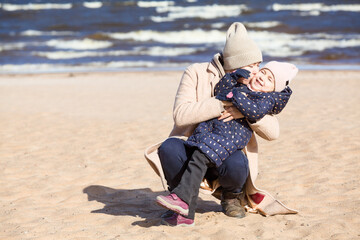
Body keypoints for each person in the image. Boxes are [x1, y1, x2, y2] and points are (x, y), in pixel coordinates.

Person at [144, 22, 298, 227]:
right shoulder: (196, 72)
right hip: (194, 145)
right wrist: (221, 104)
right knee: (169, 147)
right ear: (235, 64)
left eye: (258, 65)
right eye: (252, 65)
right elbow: (180, 115)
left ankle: (231, 197)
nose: (257, 71)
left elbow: (273, 132)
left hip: (225, 153)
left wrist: (244, 110)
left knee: (237, 162)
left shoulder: (254, 89)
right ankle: (181, 199)